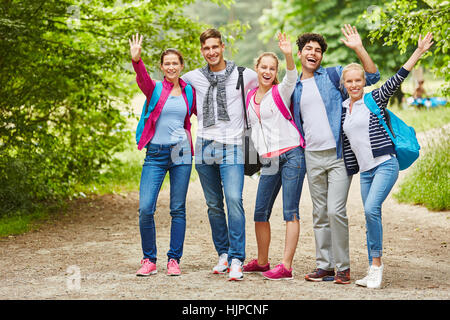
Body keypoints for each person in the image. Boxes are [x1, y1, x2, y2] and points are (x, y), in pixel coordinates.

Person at [341, 32, 434, 289]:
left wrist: (418, 52)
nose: (355, 85)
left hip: (385, 163)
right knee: (371, 215)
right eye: (350, 81)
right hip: (366, 171)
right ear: (344, 83)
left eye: (358, 80)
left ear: (363, 81)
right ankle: (372, 267)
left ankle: (377, 267)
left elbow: (398, 77)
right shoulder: (342, 109)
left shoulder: (374, 100)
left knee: (371, 209)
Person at [291, 25, 380, 284]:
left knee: (335, 211)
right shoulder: (293, 85)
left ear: (321, 57)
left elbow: (372, 77)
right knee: (319, 212)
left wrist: (359, 48)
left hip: (338, 155)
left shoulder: (333, 75)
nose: (313, 53)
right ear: (299, 54)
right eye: (308, 49)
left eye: (318, 50)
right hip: (312, 156)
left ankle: (343, 267)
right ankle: (325, 265)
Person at [181, 29, 258, 281]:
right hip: (204, 146)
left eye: (215, 47)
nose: (211, 52)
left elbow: (271, 84)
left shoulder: (243, 74)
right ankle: (223, 254)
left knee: (234, 199)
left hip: (233, 146)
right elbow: (169, 86)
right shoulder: (192, 77)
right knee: (214, 205)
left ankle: (237, 258)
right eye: (206, 48)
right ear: (201, 51)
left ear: (223, 47)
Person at [129, 33, 196, 277]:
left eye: (175, 63)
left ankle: (173, 260)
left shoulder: (189, 92)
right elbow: (142, 79)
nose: (170, 67)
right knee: (146, 208)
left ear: (181, 66)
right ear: (161, 66)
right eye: (166, 63)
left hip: (181, 154)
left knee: (178, 209)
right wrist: (137, 61)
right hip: (155, 155)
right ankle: (149, 259)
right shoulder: (154, 88)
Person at [241, 33, 306, 280]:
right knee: (260, 212)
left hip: (291, 155)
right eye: (263, 67)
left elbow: (292, 75)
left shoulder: (282, 90)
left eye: (272, 68)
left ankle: (286, 266)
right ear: (256, 69)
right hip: (268, 161)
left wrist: (288, 54)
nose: (267, 71)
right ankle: (262, 261)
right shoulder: (249, 97)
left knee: (290, 211)